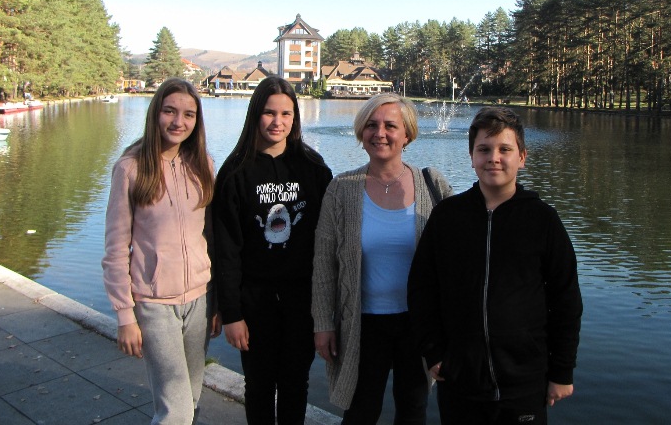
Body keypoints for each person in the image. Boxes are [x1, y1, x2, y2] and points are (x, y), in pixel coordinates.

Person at [407, 107, 583, 425]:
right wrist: (433, 352)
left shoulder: (542, 220)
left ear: (522, 157)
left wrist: (562, 371)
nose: (494, 158)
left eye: (505, 149)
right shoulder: (448, 217)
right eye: (484, 149)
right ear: (472, 157)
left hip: (524, 382)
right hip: (460, 379)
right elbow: (422, 288)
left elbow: (566, 300)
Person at [311, 93, 452, 424]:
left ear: (407, 134)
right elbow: (323, 266)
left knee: (413, 410)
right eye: (371, 125)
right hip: (362, 323)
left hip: (418, 324)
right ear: (361, 132)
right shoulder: (341, 189)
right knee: (360, 411)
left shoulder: (433, 185)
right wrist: (323, 324)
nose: (380, 133)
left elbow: (455, 258)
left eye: (391, 126)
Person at [212, 76, 332, 425]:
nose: (277, 121)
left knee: (296, 383)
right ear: (255, 115)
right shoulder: (235, 172)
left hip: (302, 301)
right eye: (269, 112)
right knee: (259, 384)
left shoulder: (313, 168)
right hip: (254, 302)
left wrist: (328, 308)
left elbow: (328, 242)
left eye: (286, 113)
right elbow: (227, 248)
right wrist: (231, 313)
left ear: (295, 117)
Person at [102, 77, 221, 425]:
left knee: (191, 399)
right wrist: (125, 316)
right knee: (176, 410)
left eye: (188, 114)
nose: (178, 122)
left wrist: (218, 302)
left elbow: (210, 237)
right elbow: (115, 248)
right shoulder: (130, 168)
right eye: (170, 111)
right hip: (154, 303)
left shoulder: (203, 165)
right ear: (156, 113)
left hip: (200, 300)